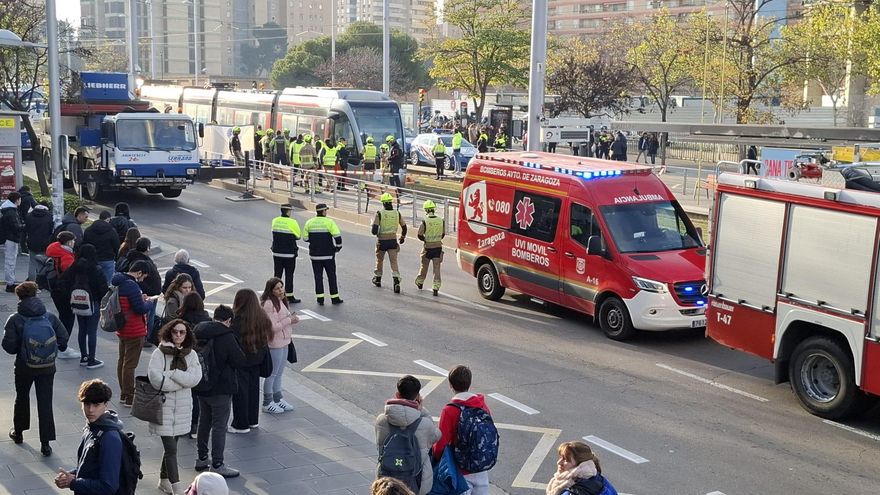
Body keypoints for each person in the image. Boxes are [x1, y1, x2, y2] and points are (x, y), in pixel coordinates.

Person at [3, 281, 69, 457]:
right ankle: (45, 443)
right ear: (35, 295)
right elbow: (64, 339)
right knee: (45, 402)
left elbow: (8, 347)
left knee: (22, 397)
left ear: (19, 297)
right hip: (47, 366)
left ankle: (19, 433)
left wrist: (22, 348)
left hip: (24, 366)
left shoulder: (15, 319)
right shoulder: (49, 316)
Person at [148, 319, 202, 495]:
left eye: (182, 332)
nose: (178, 335)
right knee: (171, 449)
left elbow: (195, 379)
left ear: (187, 334)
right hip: (163, 407)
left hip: (183, 408)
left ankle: (164, 480)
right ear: (169, 332)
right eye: (175, 332)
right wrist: (182, 382)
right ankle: (177, 488)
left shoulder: (191, 354)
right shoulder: (159, 353)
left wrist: (173, 374)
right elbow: (156, 380)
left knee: (172, 446)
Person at [193, 305, 246, 478]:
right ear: (228, 320)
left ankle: (201, 458)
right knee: (219, 426)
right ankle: (217, 463)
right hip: (221, 388)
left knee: (204, 421)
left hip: (201, 384)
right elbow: (240, 360)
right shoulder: (226, 336)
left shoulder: (199, 330)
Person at [432, 365, 494, 495]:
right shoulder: (481, 404)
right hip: (481, 468)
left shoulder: (450, 410)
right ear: (469, 383)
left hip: (460, 470)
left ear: (450, 385)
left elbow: (441, 443)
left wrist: (435, 458)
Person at [54, 379, 123, 492]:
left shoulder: (109, 438)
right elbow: (89, 467)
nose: (90, 410)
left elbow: (109, 486)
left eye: (96, 405)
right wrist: (69, 476)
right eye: (87, 404)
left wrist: (73, 482)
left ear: (105, 404)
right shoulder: (91, 427)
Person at [375, 375, 440, 495]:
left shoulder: (381, 421)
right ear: (417, 397)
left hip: (386, 481)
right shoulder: (424, 424)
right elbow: (437, 436)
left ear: (397, 395)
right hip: (417, 481)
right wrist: (421, 410)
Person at [112, 260, 156, 407]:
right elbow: (139, 309)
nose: (142, 280)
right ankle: (129, 396)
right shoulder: (131, 285)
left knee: (122, 361)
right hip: (134, 330)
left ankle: (123, 393)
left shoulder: (118, 280)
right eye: (143, 277)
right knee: (130, 365)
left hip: (122, 327)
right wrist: (148, 302)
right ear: (139, 272)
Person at [229, 289, 272, 434]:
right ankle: (253, 420)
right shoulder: (261, 317)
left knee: (240, 393)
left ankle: (241, 425)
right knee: (254, 391)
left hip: (241, 361)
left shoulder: (236, 319)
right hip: (257, 360)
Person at [59, 244, 108, 369]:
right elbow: (103, 288)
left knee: (82, 329)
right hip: (92, 302)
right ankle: (91, 359)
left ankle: (84, 357)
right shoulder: (96, 268)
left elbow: (63, 280)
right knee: (92, 331)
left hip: (77, 301)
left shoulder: (75, 266)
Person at [259, 277, 298, 414]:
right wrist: (289, 320)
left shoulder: (280, 301)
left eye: (281, 287)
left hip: (284, 341)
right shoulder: (269, 304)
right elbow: (272, 327)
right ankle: (267, 402)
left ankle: (277, 398)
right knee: (272, 374)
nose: (281, 290)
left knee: (279, 373)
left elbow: (282, 320)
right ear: (271, 290)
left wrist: (291, 320)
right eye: (277, 288)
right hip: (274, 343)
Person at [119, 237, 162, 345]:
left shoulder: (135, 256)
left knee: (148, 318)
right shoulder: (140, 260)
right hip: (148, 294)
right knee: (147, 318)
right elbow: (139, 280)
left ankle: (145, 337)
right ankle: (145, 338)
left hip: (149, 292)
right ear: (147, 248)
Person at [46, 231, 80, 359]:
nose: (74, 242)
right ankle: (62, 347)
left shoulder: (55, 250)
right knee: (68, 319)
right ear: (69, 242)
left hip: (55, 290)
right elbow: (70, 276)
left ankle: (58, 344)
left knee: (62, 317)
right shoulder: (66, 256)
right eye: (73, 240)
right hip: (64, 292)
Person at [303, 203, 343, 305]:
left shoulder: (309, 222)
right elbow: (338, 237)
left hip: (315, 255)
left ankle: (320, 298)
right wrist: (337, 248)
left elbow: (305, 238)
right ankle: (334, 298)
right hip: (328, 255)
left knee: (318, 276)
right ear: (324, 211)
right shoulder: (329, 222)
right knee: (331, 276)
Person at [546, 441, 618, 495]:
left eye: (566, 460)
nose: (559, 462)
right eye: (560, 457)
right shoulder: (599, 479)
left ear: (580, 464)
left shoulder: (572, 491)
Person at [372, 193, 407, 293]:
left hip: (382, 241)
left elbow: (374, 231)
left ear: (383, 203)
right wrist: (402, 237)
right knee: (394, 262)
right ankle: (396, 281)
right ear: (391, 202)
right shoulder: (397, 213)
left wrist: (376, 229)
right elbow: (404, 227)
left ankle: (378, 279)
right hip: (392, 241)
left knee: (380, 260)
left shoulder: (379, 213)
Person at [270, 204, 302, 304]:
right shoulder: (293, 222)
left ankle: (274, 295)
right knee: (289, 275)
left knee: (277, 275)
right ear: (288, 212)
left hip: (277, 252)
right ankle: (289, 296)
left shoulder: (275, 220)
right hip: (289, 253)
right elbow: (298, 236)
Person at [415, 200, 445, 296]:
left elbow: (419, 235)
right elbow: (443, 234)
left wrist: (425, 240)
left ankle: (420, 281)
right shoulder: (441, 220)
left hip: (428, 248)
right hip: (438, 247)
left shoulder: (425, 221)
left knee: (424, 266)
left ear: (426, 210)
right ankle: (436, 287)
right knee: (436, 268)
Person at [83, 210, 120, 284]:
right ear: (108, 219)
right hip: (108, 259)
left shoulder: (88, 230)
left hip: (92, 259)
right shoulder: (112, 231)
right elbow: (116, 245)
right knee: (107, 282)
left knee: (92, 282)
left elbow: (85, 244)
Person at [2, 191, 25, 291]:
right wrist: (25, 226)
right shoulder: (11, 212)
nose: (21, 201)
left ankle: (10, 282)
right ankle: (10, 284)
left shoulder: (7, 209)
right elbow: (15, 227)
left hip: (8, 237)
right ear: (16, 200)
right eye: (20, 199)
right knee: (10, 261)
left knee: (10, 261)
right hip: (10, 238)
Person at [24, 201, 52, 282]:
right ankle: (41, 282)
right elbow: (51, 230)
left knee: (32, 263)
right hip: (45, 243)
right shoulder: (49, 216)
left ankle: (32, 283)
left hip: (32, 242)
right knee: (43, 263)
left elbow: (26, 229)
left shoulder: (29, 216)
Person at [16, 185, 36, 254]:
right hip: (27, 216)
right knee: (29, 232)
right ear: (28, 190)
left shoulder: (18, 196)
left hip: (18, 216)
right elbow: (35, 205)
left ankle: (22, 247)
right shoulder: (29, 197)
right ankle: (26, 248)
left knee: (22, 233)